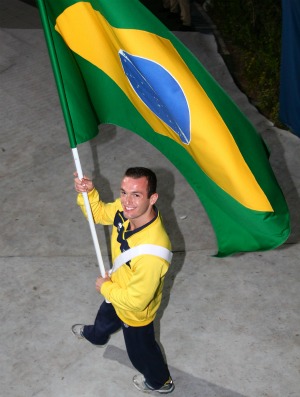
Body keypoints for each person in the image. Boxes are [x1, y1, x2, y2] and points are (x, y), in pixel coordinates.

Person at [72, 167, 175, 394]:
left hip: (134, 313)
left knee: (141, 352)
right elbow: (98, 214)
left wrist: (106, 287)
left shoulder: (152, 253)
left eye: (136, 195)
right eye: (124, 192)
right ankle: (97, 336)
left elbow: (137, 301)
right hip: (117, 286)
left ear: (153, 198)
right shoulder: (125, 210)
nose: (127, 201)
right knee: (104, 319)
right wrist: (88, 194)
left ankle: (160, 382)